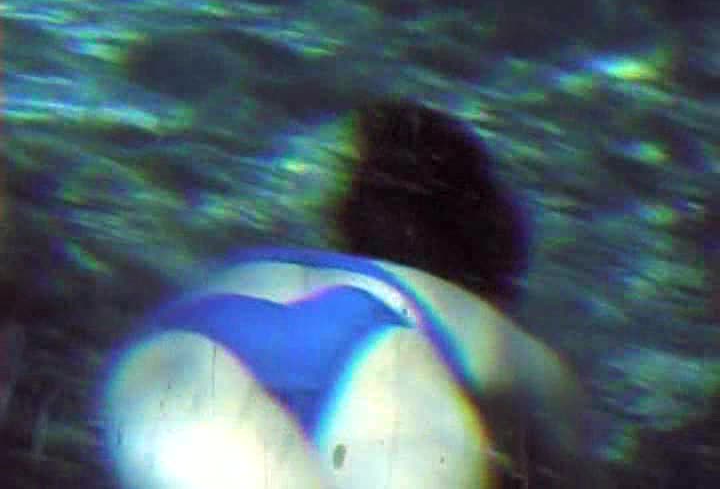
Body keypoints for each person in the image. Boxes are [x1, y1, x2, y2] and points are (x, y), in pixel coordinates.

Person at [97, 102, 588, 489]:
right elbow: (570, 455)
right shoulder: (484, 327)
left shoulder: (265, 263)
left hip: (189, 350)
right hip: (380, 353)